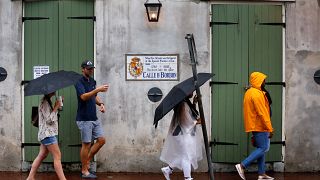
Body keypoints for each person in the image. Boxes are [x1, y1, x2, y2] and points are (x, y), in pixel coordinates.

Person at [235, 72, 274, 180]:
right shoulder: (256, 94)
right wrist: (270, 128)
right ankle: (242, 165)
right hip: (260, 125)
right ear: (258, 81)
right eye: (263, 80)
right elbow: (262, 112)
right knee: (263, 147)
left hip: (256, 125)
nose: (264, 82)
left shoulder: (250, 92)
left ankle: (261, 174)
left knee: (261, 148)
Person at [74, 60, 109, 179]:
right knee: (86, 144)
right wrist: (97, 89)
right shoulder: (78, 81)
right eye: (88, 69)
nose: (90, 70)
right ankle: (84, 171)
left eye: (92, 68)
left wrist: (101, 104)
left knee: (101, 140)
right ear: (82, 69)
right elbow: (83, 97)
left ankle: (87, 160)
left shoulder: (92, 81)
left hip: (94, 117)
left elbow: (94, 96)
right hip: (84, 119)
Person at [160, 94, 203, 180]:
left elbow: (191, 114)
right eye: (191, 91)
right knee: (186, 156)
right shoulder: (182, 104)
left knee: (183, 155)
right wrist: (197, 122)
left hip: (184, 133)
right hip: (182, 134)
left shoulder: (186, 103)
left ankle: (168, 169)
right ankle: (187, 177)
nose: (192, 93)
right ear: (186, 93)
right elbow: (185, 121)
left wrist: (194, 103)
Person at [26, 92, 66, 180]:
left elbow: (51, 115)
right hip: (48, 134)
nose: (54, 90)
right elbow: (49, 120)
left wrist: (58, 105)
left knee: (42, 155)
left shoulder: (48, 101)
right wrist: (56, 107)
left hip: (47, 133)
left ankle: (30, 177)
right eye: (53, 88)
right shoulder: (44, 102)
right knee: (57, 157)